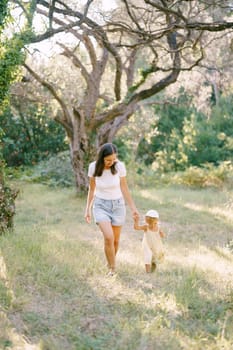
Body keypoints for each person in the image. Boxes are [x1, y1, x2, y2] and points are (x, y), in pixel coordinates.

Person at [84, 143, 139, 276]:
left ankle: (110, 263)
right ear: (101, 157)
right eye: (108, 160)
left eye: (114, 159)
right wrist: (88, 209)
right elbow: (92, 189)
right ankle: (112, 269)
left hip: (118, 206)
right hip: (101, 205)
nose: (111, 162)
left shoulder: (119, 166)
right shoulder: (93, 167)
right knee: (108, 237)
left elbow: (124, 188)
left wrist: (133, 208)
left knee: (115, 240)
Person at [134, 209, 165, 273]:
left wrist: (162, 234)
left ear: (156, 221)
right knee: (147, 256)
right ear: (147, 221)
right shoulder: (146, 227)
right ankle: (147, 272)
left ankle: (152, 270)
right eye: (149, 222)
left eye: (153, 222)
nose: (151, 225)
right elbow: (136, 228)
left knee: (154, 258)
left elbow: (163, 236)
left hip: (155, 244)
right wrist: (136, 221)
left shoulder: (158, 227)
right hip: (147, 244)